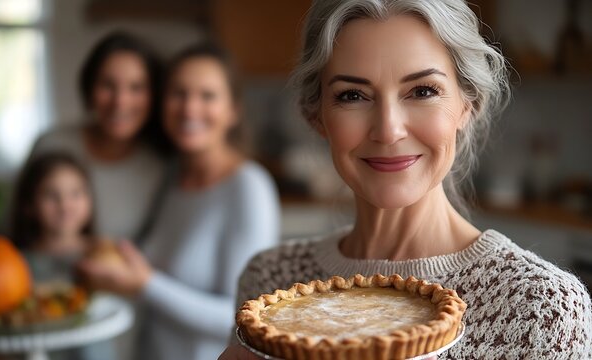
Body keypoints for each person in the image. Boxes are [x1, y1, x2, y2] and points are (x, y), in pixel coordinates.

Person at [222, 0, 592, 359]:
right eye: (352, 95)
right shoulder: (268, 281)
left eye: (422, 91)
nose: (388, 130)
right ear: (316, 116)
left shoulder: (542, 310)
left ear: (468, 104)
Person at [79, 43, 281, 360]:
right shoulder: (168, 176)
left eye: (207, 96)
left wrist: (145, 284)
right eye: (179, 93)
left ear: (233, 110)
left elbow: (244, 318)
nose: (189, 108)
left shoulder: (248, 187)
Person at [29, 31, 166, 241]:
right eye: (108, 85)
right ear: (90, 89)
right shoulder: (52, 145)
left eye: (136, 87)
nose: (120, 101)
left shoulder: (161, 164)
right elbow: (16, 227)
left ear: (154, 95)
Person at [9, 152, 114, 360]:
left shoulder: (104, 255)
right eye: (51, 195)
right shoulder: (15, 263)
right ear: (28, 205)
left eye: (76, 193)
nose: (65, 205)